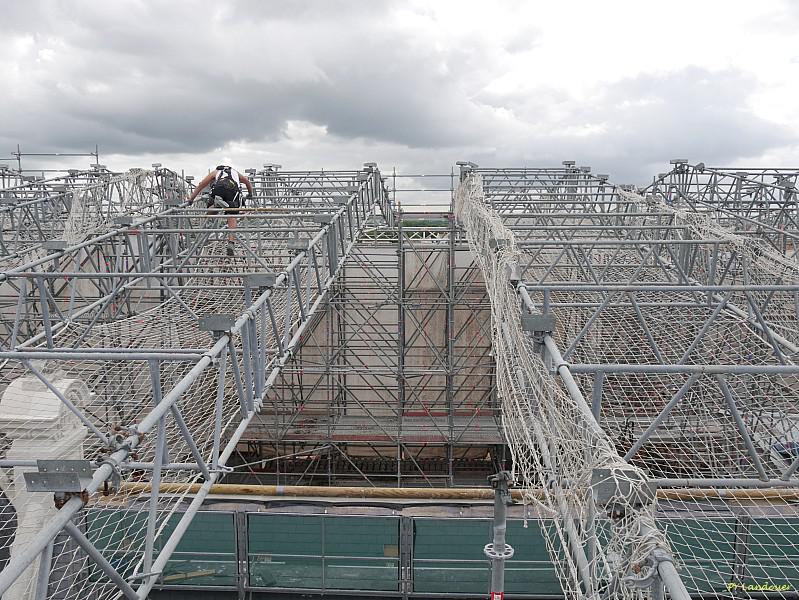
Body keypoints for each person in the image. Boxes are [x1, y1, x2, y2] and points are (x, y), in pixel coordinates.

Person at [187, 165, 254, 256]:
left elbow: (201, 185)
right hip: (232, 190)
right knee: (232, 216)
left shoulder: (216, 172)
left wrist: (191, 199)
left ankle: (215, 207)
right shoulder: (235, 173)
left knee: (211, 210)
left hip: (219, 188)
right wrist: (250, 194)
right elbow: (247, 182)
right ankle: (231, 242)